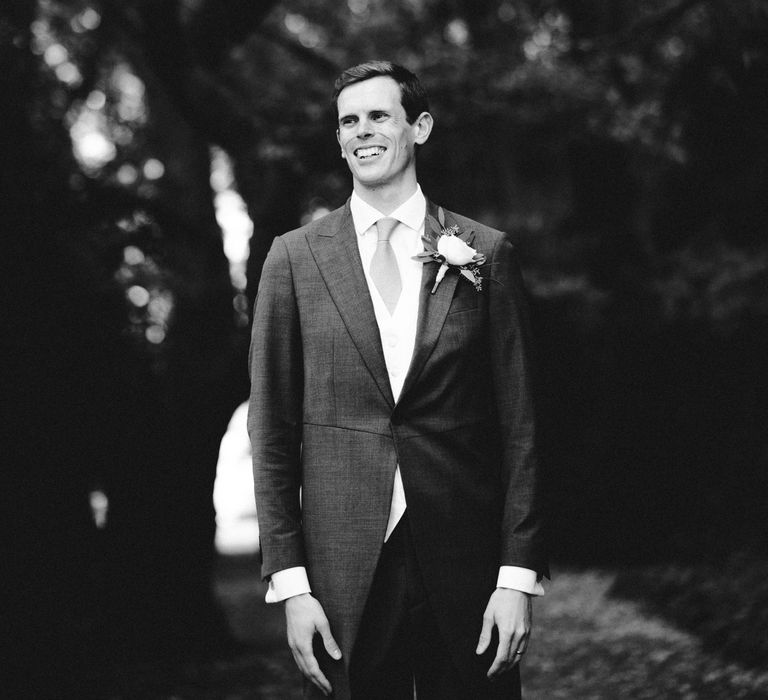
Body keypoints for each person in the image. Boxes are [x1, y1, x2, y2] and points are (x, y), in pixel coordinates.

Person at [248, 61, 547, 700]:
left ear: (420, 127)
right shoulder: (293, 259)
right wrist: (293, 585)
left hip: (467, 565)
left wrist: (516, 576)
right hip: (341, 576)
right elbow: (270, 428)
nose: (362, 132)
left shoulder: (484, 253)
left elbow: (521, 424)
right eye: (348, 122)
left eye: (378, 116)